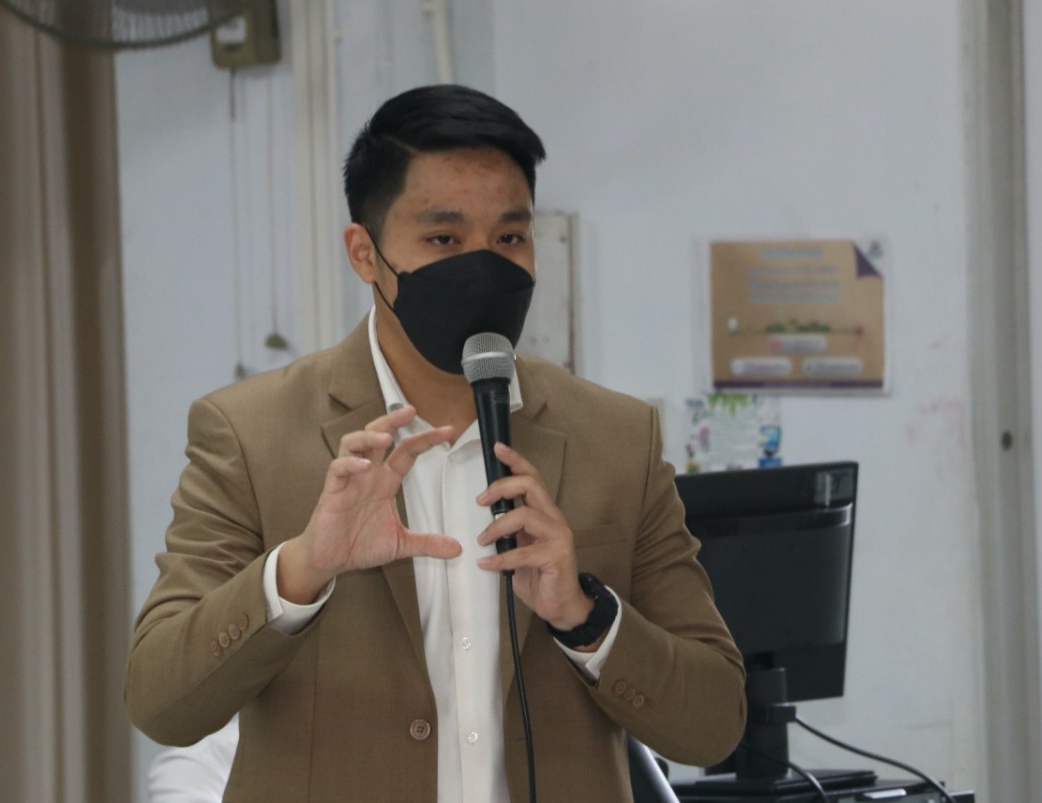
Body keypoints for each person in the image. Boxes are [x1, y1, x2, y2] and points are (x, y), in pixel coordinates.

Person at [125, 84, 746, 803]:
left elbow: (714, 725)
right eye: (444, 239)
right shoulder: (249, 433)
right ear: (365, 252)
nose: (483, 266)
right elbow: (162, 704)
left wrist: (585, 615)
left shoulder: (617, 437)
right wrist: (300, 569)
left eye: (509, 238)